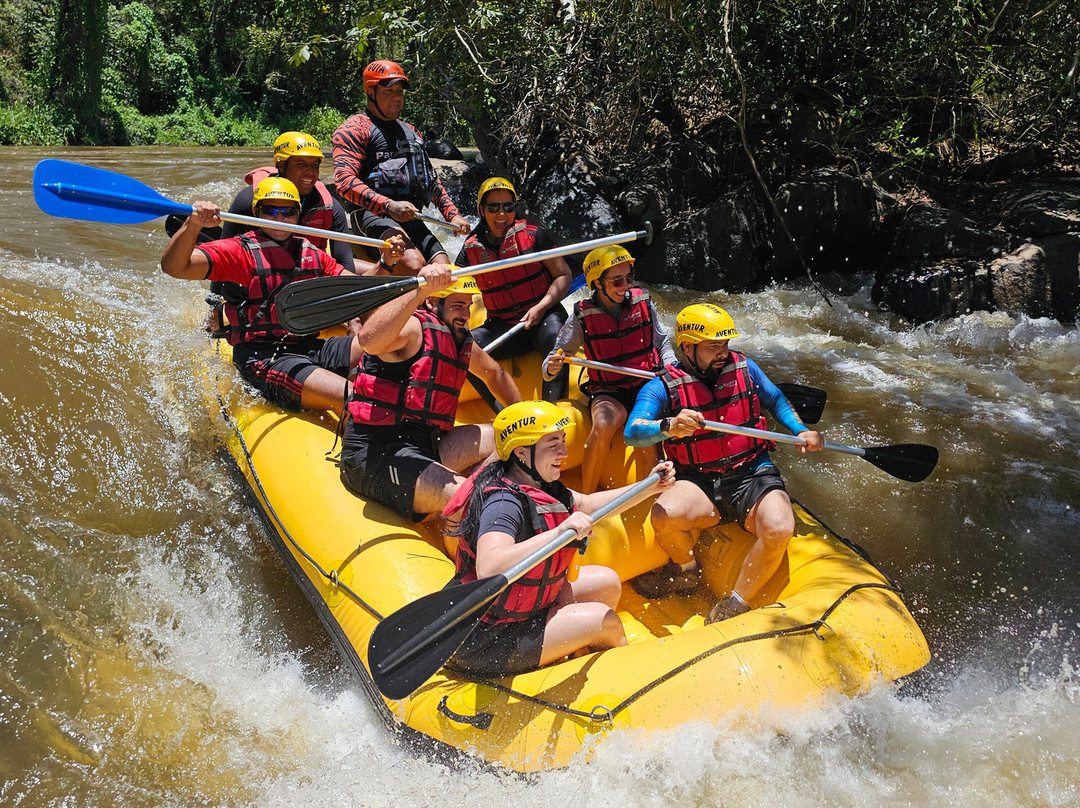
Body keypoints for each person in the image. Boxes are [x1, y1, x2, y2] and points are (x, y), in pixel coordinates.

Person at [443, 400, 676, 677]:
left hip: (523, 611)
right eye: (553, 444)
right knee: (607, 622)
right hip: (488, 638)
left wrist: (647, 488)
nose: (564, 452)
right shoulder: (503, 502)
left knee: (608, 584)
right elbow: (489, 567)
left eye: (563, 442)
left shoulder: (541, 485)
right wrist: (559, 532)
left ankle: (570, 657)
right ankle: (628, 686)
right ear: (521, 451)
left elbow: (588, 503)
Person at [623, 303, 824, 623]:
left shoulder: (745, 368)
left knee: (781, 527)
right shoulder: (661, 386)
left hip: (752, 473)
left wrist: (801, 430)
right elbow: (633, 432)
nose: (723, 352)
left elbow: (775, 400)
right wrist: (669, 426)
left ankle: (737, 601)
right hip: (699, 480)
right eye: (713, 346)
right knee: (664, 516)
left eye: (725, 343)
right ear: (687, 346)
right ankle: (687, 570)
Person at [161, 177, 403, 415]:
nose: (280, 218)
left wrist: (386, 261)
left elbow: (358, 289)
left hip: (310, 347)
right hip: (264, 358)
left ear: (299, 214)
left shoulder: (311, 253)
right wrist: (192, 225)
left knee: (385, 343)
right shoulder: (238, 252)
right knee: (351, 395)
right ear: (257, 212)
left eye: (288, 212)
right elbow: (174, 267)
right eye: (271, 210)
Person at [340, 269, 522, 522]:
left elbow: (494, 373)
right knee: (466, 498)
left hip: (426, 445)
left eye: (468, 307)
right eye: (458, 306)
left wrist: (526, 418)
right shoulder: (413, 329)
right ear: (433, 301)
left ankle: (463, 500)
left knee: (506, 434)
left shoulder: (460, 340)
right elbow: (368, 340)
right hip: (377, 454)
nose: (465, 315)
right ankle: (460, 519)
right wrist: (418, 290)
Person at [543, 244, 676, 493]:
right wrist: (551, 367)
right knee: (603, 424)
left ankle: (655, 496)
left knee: (646, 424)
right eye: (617, 281)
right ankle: (586, 496)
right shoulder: (582, 316)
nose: (625, 286)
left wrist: (669, 367)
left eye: (628, 278)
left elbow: (662, 342)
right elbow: (556, 357)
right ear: (598, 284)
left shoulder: (643, 302)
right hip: (609, 391)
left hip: (647, 385)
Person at [332, 60, 469, 276]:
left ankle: (429, 307)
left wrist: (452, 216)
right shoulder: (354, 129)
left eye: (400, 92)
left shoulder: (412, 132)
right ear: (370, 91)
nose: (397, 98)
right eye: (389, 92)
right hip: (371, 217)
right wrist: (388, 205)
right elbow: (343, 182)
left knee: (445, 268)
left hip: (411, 218)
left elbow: (430, 181)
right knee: (415, 265)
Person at [455, 177, 573, 402]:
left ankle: (553, 415)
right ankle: (505, 413)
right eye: (493, 207)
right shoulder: (470, 249)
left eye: (508, 207)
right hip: (503, 325)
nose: (501, 215)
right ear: (482, 209)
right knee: (463, 350)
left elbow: (563, 275)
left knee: (557, 347)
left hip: (544, 316)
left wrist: (541, 307)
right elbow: (453, 292)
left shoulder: (534, 235)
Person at [220, 131, 362, 272]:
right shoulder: (249, 201)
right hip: (262, 270)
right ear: (281, 167)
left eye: (314, 165)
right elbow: (223, 259)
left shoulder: (330, 207)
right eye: (301, 165)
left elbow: (344, 263)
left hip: (305, 270)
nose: (310, 173)